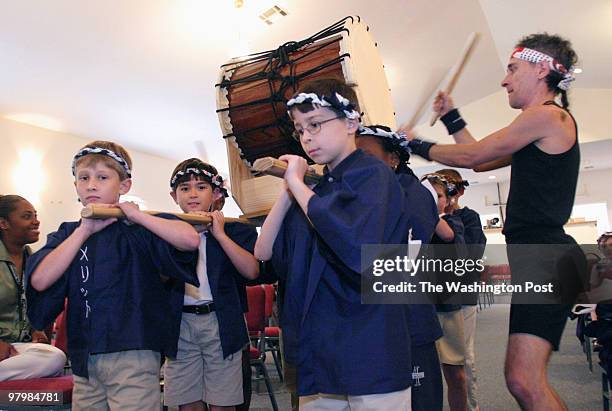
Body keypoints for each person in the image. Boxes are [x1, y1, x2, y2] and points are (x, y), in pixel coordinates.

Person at [406, 33, 580, 410]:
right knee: (522, 380)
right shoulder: (536, 125)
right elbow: (483, 160)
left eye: (512, 69)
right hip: (539, 256)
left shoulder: (549, 116)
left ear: (541, 69)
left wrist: (415, 144)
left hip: (548, 257)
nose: (504, 80)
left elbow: (474, 155)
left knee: (525, 381)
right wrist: (451, 117)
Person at [255, 78, 413, 410]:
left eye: (315, 124)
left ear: (351, 122)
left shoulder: (374, 175)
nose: (306, 136)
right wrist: (289, 190)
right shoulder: (316, 190)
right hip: (322, 342)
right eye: (299, 129)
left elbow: (357, 248)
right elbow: (264, 254)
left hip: (369, 339)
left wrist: (297, 184)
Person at [25, 141, 201, 411]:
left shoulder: (139, 227)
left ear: (124, 186)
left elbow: (189, 239)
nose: (91, 185)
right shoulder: (68, 232)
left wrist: (138, 216)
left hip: (134, 350)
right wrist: (83, 232)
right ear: (75, 186)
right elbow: (40, 280)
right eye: (83, 178)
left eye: (102, 177)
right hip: (85, 355)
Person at [356, 125, 443, 411]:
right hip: (372, 327)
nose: (357, 162)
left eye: (365, 155)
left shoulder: (413, 194)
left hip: (408, 322)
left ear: (393, 158)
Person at [164, 158, 259, 411]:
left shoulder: (235, 230)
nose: (192, 194)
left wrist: (219, 234)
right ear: (174, 196)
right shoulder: (165, 231)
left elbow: (251, 271)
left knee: (223, 402)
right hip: (180, 325)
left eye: (201, 187)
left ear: (215, 193)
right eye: (184, 188)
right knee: (187, 402)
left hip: (221, 321)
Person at [0, 195, 66, 381]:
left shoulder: (36, 262)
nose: (36, 221)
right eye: (27, 216)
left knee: (54, 357)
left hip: (17, 348)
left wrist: (35, 332)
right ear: (4, 223)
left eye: (35, 215)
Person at [436, 169, 486, 411]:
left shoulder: (469, 218)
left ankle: (472, 407)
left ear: (459, 191)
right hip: (435, 297)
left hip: (463, 297)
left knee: (464, 357)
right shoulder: (429, 218)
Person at [423, 173, 469, 411]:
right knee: (421, 378)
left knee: (456, 376)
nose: (432, 201)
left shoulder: (452, 222)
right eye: (427, 196)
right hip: (421, 308)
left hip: (447, 308)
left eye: (437, 196)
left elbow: (447, 235)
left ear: (446, 199)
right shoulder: (413, 221)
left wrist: (420, 204)